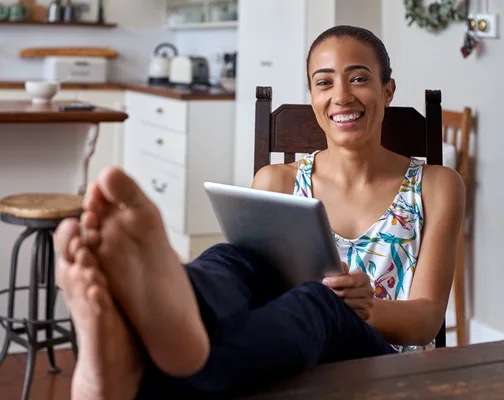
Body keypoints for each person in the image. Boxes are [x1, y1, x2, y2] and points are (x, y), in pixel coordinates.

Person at [54, 25, 465, 400]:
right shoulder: (277, 181)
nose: (341, 96)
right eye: (324, 83)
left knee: (320, 300)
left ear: (388, 90)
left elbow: (426, 320)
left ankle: (143, 373)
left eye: (359, 78)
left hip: (385, 368)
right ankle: (179, 298)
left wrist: (365, 307)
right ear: (313, 96)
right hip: (290, 345)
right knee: (234, 259)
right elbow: (250, 291)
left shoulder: (435, 184)